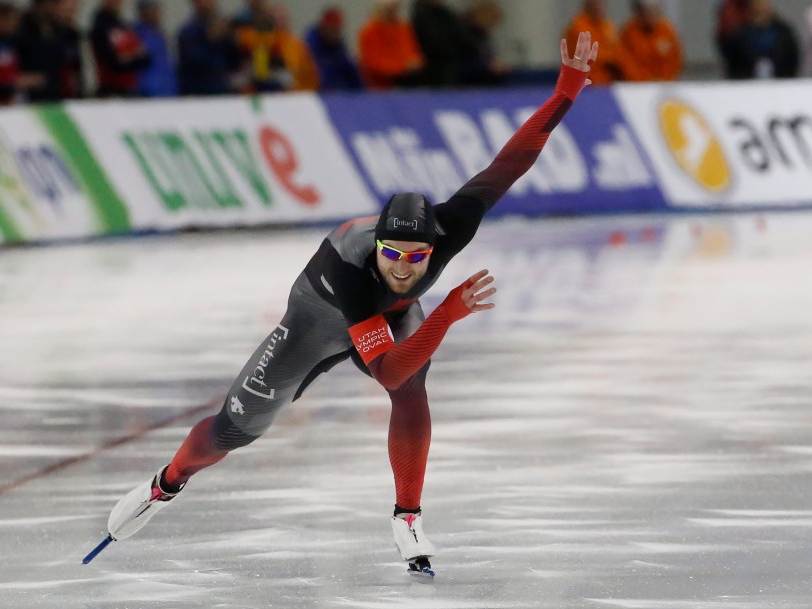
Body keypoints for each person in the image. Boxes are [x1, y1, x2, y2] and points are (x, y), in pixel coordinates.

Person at [96, 32, 599, 577]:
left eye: (418, 257)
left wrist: (566, 91)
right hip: (319, 314)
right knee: (231, 431)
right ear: (377, 245)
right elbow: (383, 370)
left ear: (437, 244)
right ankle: (166, 483)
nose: (404, 268)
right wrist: (449, 312)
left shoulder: (453, 227)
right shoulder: (353, 271)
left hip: (385, 317)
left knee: (413, 390)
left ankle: (407, 515)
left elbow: (512, 160)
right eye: (392, 254)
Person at [177, 0, 240, 96]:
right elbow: (193, 61)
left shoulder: (224, 28)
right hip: (197, 92)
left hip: (222, 89)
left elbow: (232, 62)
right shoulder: (188, 31)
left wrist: (232, 39)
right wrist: (211, 39)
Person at [358, 0, 425, 90]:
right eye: (388, 8)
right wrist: (402, 67)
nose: (392, 12)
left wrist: (407, 66)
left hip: (406, 81)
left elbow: (413, 56)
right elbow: (374, 64)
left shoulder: (403, 28)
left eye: (395, 8)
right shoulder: (369, 32)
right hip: (379, 86)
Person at [89, 0, 149, 97]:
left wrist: (128, 58)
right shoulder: (99, 27)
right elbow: (113, 63)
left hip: (130, 90)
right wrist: (133, 56)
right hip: (111, 92)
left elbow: (145, 58)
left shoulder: (123, 26)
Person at [727, 0, 799, 79]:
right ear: (751, 6)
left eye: (765, 3)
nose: (762, 6)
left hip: (781, 81)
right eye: (758, 3)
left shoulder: (783, 31)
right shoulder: (741, 33)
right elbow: (735, 62)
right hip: (748, 83)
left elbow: (792, 57)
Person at [565, 0, 631, 84]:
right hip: (585, 86)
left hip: (608, 84)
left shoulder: (607, 26)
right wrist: (609, 57)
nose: (600, 6)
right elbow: (590, 58)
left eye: (602, 3)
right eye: (596, 2)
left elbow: (619, 55)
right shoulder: (578, 27)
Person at [621, 0, 683, 81]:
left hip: (663, 84)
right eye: (645, 11)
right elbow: (625, 61)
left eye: (653, 10)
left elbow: (675, 60)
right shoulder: (629, 32)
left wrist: (664, 79)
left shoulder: (667, 31)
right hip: (636, 85)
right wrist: (643, 79)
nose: (649, 15)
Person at [304, 6, 363, 91]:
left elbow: (352, 71)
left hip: (338, 92)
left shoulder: (339, 46)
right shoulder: (311, 45)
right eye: (331, 29)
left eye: (337, 29)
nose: (335, 33)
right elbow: (317, 75)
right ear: (323, 27)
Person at [134, 0, 177, 97]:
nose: (158, 13)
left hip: (168, 89)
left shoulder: (159, 34)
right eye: (154, 9)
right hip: (150, 90)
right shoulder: (138, 34)